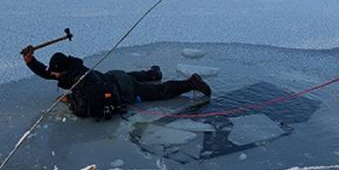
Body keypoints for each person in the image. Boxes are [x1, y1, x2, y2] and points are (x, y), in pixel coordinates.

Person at [22, 47, 211, 117]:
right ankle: (153, 73)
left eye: (54, 73)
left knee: (158, 92)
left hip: (123, 89)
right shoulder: (70, 69)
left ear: (62, 70)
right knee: (130, 75)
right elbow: (48, 73)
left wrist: (69, 101)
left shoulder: (82, 82)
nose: (52, 76)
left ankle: (191, 82)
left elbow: (91, 108)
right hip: (113, 76)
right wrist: (31, 62)